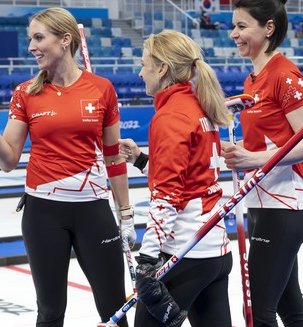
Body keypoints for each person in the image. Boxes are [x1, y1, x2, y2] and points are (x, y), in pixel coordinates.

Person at [0, 7, 134, 326]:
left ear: (65, 40)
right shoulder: (25, 94)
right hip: (44, 214)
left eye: (38, 37)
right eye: (30, 38)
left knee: (115, 309)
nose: (31, 46)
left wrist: (126, 215)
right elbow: (8, 161)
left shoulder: (102, 89)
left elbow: (114, 158)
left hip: (93, 210)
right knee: (50, 311)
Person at [224, 0, 303, 326]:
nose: (233, 33)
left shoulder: (284, 74)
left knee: (257, 310)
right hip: (262, 203)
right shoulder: (254, 79)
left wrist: (254, 158)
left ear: (268, 28)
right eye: (233, 26)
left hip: (286, 205)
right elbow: (266, 142)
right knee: (288, 307)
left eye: (241, 26)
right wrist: (236, 151)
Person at [128, 29, 232, 327]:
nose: (140, 72)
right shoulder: (200, 105)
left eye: (144, 64)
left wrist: (147, 260)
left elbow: (167, 196)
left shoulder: (171, 115)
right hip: (215, 252)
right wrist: (140, 160)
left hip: (184, 253)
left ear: (162, 69)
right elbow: (189, 177)